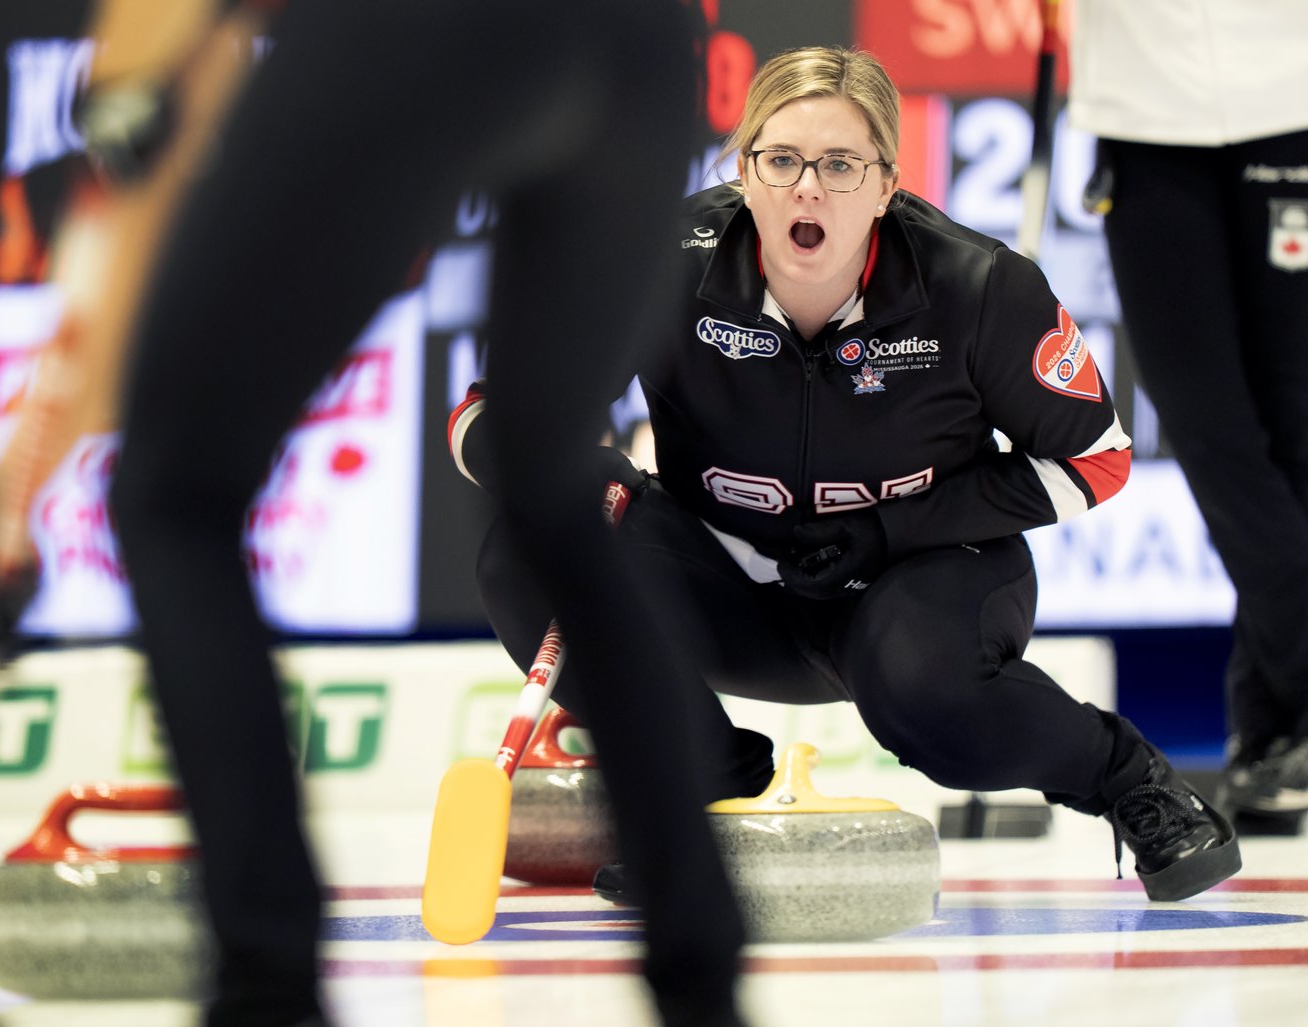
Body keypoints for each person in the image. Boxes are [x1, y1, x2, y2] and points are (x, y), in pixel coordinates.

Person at [454, 44, 1243, 907]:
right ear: (744, 171)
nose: (808, 189)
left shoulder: (979, 285)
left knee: (923, 693)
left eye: (840, 165)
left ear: (887, 186)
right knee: (524, 550)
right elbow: (487, 413)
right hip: (726, 580)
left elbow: (1099, 457)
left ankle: (1129, 777)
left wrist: (891, 529)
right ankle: (709, 791)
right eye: (781, 160)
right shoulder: (654, 259)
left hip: (917, 581)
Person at [101, 2, 750, 1027]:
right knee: (551, 491)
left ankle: (268, 982)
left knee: (174, 498)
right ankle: (701, 979)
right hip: (640, 38)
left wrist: (122, 104)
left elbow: (147, 67)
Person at [1069, 1, 1308, 830]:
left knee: (1296, 429)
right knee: (1208, 426)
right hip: (1145, 113)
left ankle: (1272, 739)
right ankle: (1282, 729)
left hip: (1293, 96)